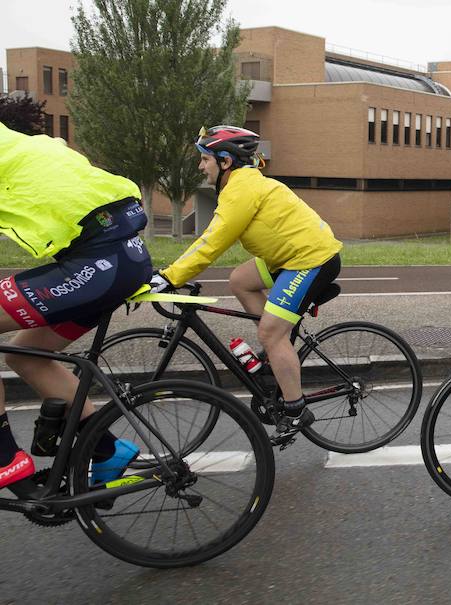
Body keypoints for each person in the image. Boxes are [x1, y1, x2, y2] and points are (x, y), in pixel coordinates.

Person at [150, 126, 342, 437]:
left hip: (310, 259)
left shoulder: (242, 190)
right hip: (288, 256)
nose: (201, 166)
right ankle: (277, 348)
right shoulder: (240, 185)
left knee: (271, 332)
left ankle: (295, 409)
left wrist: (168, 277)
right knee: (240, 280)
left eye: (204, 159)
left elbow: (212, 242)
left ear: (225, 161)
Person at [0, 122, 152, 490]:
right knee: (25, 355)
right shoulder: (18, 144)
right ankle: (105, 450)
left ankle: (5, 458)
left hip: (98, 264)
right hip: (124, 259)